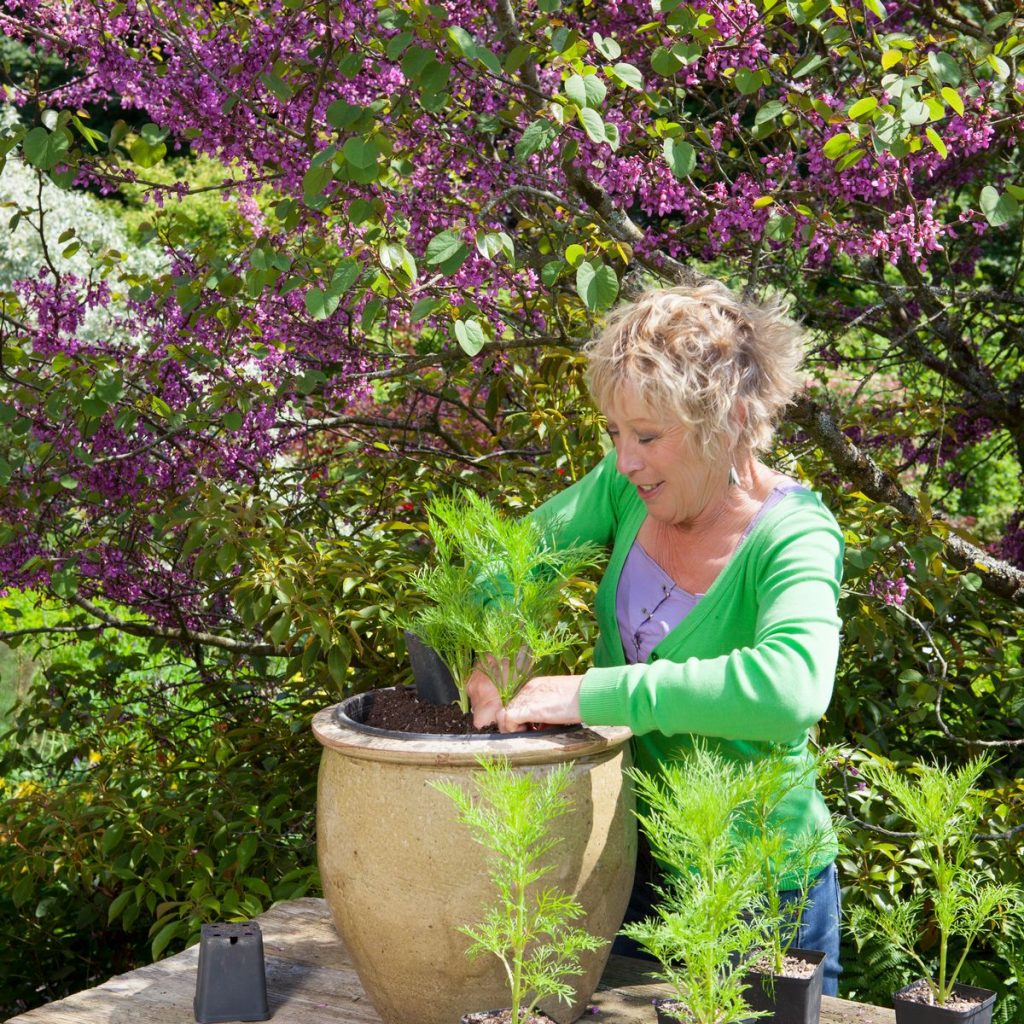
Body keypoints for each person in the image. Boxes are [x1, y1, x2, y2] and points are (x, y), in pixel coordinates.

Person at [468, 280, 844, 993]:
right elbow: (506, 562)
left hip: (763, 894)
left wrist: (592, 694)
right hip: (627, 865)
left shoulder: (794, 535)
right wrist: (501, 635)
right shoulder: (622, 486)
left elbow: (790, 690)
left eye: (647, 436)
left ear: (729, 420)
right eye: (615, 433)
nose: (627, 458)